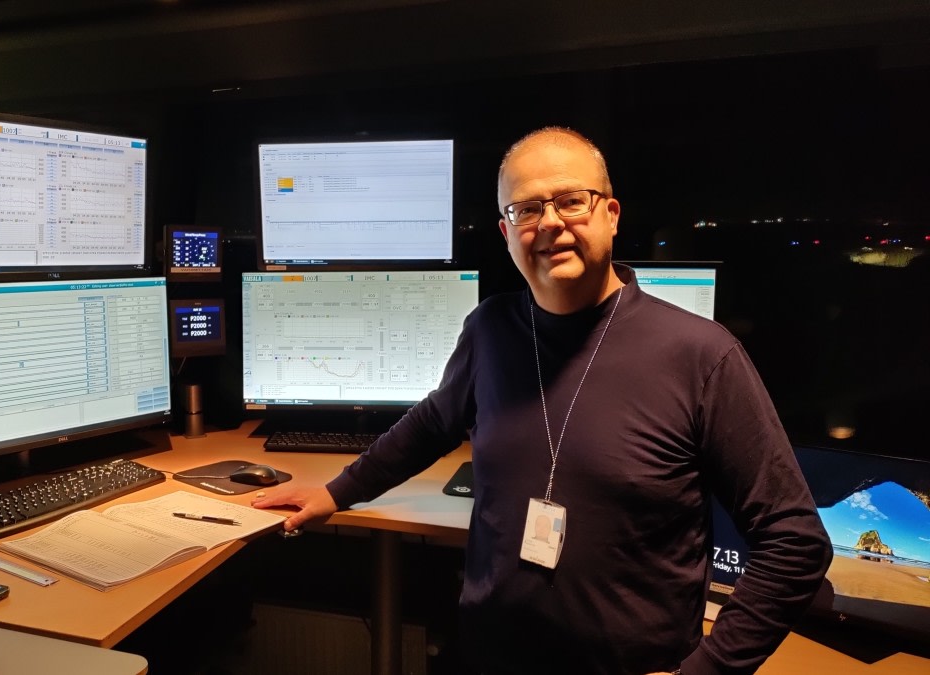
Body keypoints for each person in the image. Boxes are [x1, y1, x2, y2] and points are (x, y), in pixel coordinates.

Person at [253, 126, 832, 674]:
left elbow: (794, 541)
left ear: (611, 214)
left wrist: (708, 670)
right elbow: (433, 422)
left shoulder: (701, 355)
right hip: (488, 656)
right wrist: (336, 492)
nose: (549, 223)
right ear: (506, 233)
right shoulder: (490, 330)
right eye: (526, 209)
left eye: (570, 201)